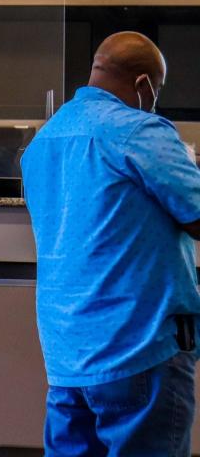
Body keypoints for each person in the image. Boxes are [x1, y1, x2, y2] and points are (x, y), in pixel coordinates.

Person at [21, 31, 200, 456]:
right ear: (143, 85)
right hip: (139, 348)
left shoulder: (43, 140)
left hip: (67, 356)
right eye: (156, 90)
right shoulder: (139, 130)